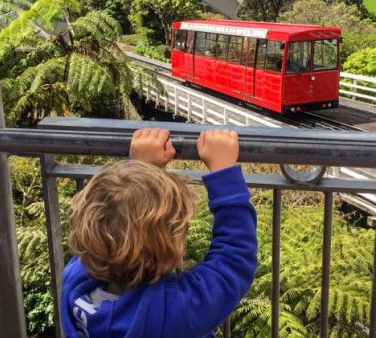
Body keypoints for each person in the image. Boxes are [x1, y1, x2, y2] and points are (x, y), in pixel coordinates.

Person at [61, 128, 257, 338]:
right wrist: (224, 172)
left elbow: (113, 223)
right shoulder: (175, 313)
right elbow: (233, 258)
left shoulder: (75, 286)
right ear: (170, 254)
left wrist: (138, 170)